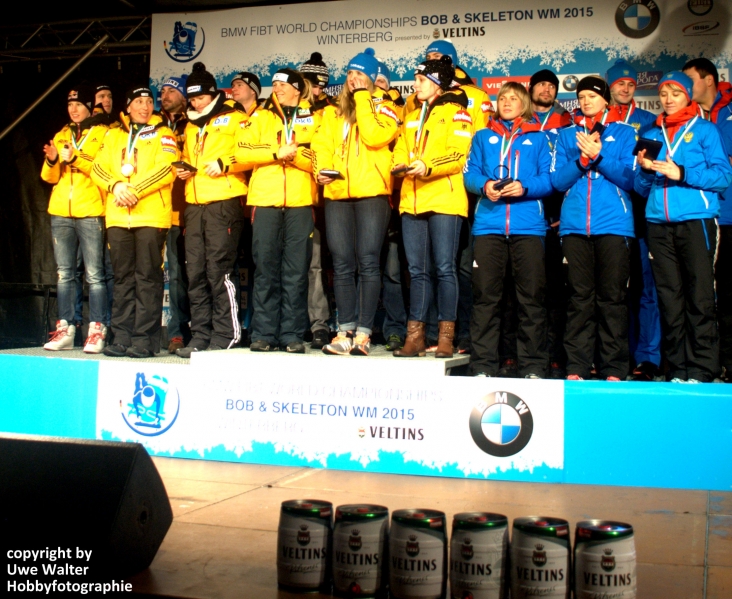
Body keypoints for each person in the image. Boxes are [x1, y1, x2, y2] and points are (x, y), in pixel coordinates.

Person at [635, 71, 732, 383]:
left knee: (699, 296)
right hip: (658, 224)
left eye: (675, 93)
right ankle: (676, 367)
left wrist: (684, 173)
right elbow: (640, 185)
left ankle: (704, 368)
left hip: (696, 221)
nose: (668, 99)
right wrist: (646, 170)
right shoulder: (651, 133)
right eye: (664, 94)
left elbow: (723, 176)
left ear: (688, 95)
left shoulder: (705, 130)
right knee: (669, 298)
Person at [312, 48, 400, 356]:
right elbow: (320, 145)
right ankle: (344, 330)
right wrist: (319, 170)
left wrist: (364, 99)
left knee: (368, 261)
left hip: (372, 193)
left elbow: (376, 137)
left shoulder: (385, 105)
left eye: (359, 74)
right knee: (342, 263)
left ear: (372, 80)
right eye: (350, 74)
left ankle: (364, 332)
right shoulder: (332, 112)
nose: (353, 79)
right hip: (337, 193)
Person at [550, 76, 638, 381]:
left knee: (612, 299)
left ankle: (613, 367)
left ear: (605, 100)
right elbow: (557, 181)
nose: (586, 101)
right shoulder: (566, 136)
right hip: (574, 227)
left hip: (614, 226)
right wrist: (582, 160)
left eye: (592, 96)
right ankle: (577, 365)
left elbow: (631, 179)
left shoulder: (625, 133)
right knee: (579, 298)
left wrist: (598, 157)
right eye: (582, 96)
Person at [464, 82, 553, 378]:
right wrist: (484, 186)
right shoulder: (482, 136)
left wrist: (524, 188)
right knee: (486, 299)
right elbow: (470, 174)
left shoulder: (538, 139)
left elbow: (549, 180)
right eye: (503, 97)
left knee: (531, 299)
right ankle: (483, 367)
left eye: (514, 98)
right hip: (488, 225)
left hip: (528, 227)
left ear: (524, 104)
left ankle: (533, 367)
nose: (507, 102)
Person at [392, 55, 473, 358]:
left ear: (438, 84)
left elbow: (458, 154)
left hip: (445, 198)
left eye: (422, 80)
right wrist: (398, 162)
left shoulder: (457, 113)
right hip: (412, 199)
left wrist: (426, 165)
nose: (415, 85)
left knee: (444, 268)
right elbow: (401, 143)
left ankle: (446, 337)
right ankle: (414, 337)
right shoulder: (413, 112)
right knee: (417, 271)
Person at [235, 68, 319, 353]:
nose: (277, 88)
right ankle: (263, 333)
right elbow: (242, 152)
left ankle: (292, 334)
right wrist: (276, 151)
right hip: (265, 200)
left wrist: (295, 156)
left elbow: (321, 156)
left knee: (296, 271)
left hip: (300, 202)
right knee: (266, 269)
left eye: (282, 84)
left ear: (297, 88)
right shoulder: (259, 115)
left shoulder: (314, 116)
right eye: (274, 84)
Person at [91, 86, 177, 357]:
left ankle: (144, 341)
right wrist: (116, 186)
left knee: (148, 279)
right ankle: (121, 338)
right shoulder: (113, 134)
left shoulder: (164, 132)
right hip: (118, 216)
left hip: (151, 216)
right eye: (138, 101)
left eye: (149, 101)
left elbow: (167, 168)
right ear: (128, 106)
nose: (144, 106)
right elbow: (97, 167)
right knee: (123, 279)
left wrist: (134, 190)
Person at [174, 63, 248, 357]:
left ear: (213, 93)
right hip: (194, 204)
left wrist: (225, 163)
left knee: (219, 272)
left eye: (200, 97)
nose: (195, 103)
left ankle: (226, 334)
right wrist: (182, 170)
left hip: (223, 202)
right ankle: (200, 335)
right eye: (191, 99)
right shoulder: (190, 124)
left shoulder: (234, 116)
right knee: (196, 274)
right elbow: (185, 156)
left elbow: (249, 150)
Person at [605, 59, 663, 381]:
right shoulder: (597, 120)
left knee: (646, 288)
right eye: (619, 84)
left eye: (630, 84)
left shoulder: (649, 121)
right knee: (613, 290)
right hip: (609, 216)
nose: (625, 89)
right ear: (609, 87)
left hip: (641, 212)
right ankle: (617, 355)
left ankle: (648, 357)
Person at [41, 84, 109, 353]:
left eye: (79, 104)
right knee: (65, 274)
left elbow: (103, 169)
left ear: (89, 107)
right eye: (70, 105)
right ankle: (66, 328)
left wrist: (76, 157)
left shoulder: (103, 133)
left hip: (91, 209)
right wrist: (52, 160)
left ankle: (97, 329)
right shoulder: (61, 134)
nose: (74, 109)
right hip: (60, 211)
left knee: (94, 275)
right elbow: (50, 177)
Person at [682, 58, 732, 381]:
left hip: (729, 214)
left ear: (710, 80)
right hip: (704, 216)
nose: (686, 88)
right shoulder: (685, 119)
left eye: (691, 81)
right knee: (706, 293)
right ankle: (713, 363)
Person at [530, 69, 572, 379]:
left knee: (558, 291)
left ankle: (556, 356)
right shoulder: (519, 120)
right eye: (541, 84)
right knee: (528, 290)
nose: (547, 89)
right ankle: (526, 355)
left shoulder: (566, 121)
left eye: (552, 86)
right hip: (526, 214)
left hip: (557, 215)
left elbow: (567, 171)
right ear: (530, 89)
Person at [300, 52, 334, 349]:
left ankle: (328, 325)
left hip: (329, 200)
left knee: (327, 265)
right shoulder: (288, 111)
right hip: (299, 198)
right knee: (303, 266)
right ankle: (307, 324)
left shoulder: (333, 111)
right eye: (313, 84)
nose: (318, 91)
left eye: (322, 85)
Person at [375, 59, 408, 351]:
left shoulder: (401, 109)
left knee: (394, 271)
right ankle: (368, 327)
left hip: (398, 201)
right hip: (366, 199)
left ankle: (396, 328)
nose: (378, 88)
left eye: (382, 83)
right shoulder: (353, 111)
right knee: (366, 267)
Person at [159, 74, 191, 354]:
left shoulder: (193, 121)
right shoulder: (152, 125)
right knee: (172, 277)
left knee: (191, 275)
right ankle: (176, 333)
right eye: (163, 91)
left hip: (187, 211)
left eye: (171, 90)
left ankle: (203, 330)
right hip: (157, 212)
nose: (164, 95)